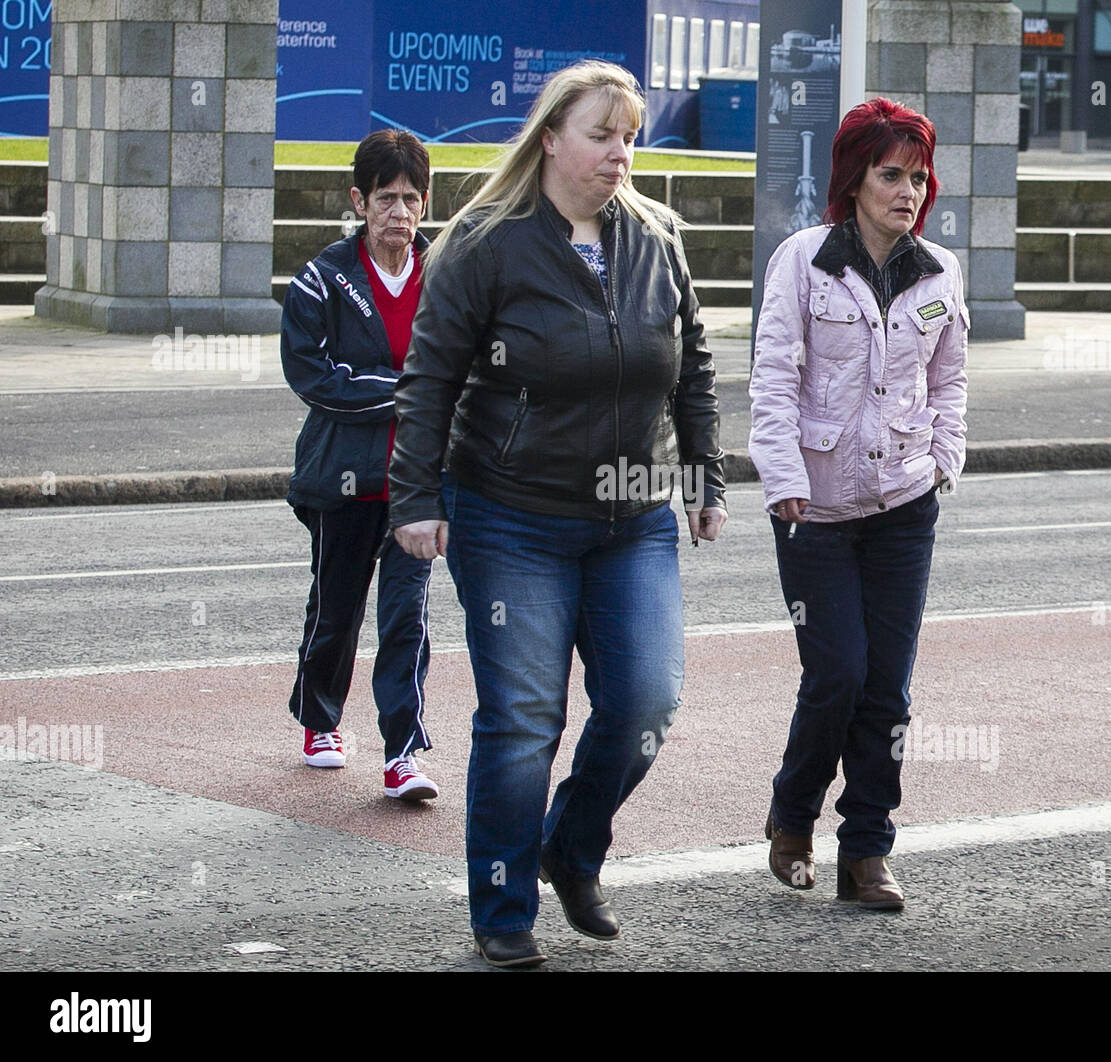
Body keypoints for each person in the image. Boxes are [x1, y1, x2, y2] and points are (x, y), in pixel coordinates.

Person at [389, 60, 727, 967]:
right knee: (526, 716)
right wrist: (416, 498)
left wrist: (705, 475)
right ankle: (503, 912)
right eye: (601, 134)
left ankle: (570, 849)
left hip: (633, 516)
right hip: (511, 515)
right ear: (550, 138)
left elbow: (689, 360)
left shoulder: (657, 236)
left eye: (630, 136)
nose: (620, 153)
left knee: (646, 702)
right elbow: (428, 382)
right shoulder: (483, 242)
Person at [748, 97, 968, 911]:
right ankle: (793, 815)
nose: (907, 191)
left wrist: (945, 457)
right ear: (855, 178)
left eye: (917, 176)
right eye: (890, 174)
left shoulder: (939, 271)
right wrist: (783, 479)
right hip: (815, 508)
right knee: (836, 673)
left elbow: (949, 378)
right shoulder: (803, 260)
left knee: (889, 689)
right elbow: (772, 377)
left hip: (905, 503)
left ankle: (867, 849)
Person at [280, 130, 440, 802]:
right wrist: (407, 389)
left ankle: (403, 755)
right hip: (341, 480)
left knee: (407, 619)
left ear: (424, 204)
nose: (398, 212)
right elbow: (313, 374)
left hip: (417, 486)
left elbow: (461, 367)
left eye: (409, 198)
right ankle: (320, 719)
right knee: (336, 610)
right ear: (358, 201)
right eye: (384, 198)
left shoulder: (447, 276)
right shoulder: (323, 277)